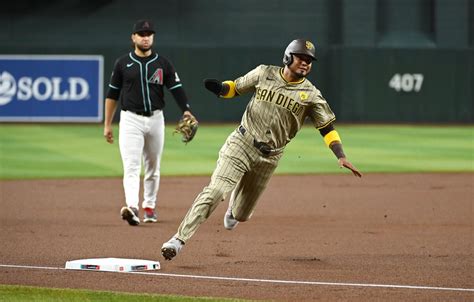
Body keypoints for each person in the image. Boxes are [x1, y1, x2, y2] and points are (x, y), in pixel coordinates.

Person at [161, 39, 361, 260]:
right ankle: (178, 240)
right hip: (241, 142)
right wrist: (220, 89)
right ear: (288, 57)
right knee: (216, 191)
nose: (305, 63)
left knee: (242, 215)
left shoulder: (311, 94)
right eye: (301, 57)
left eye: (309, 60)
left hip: (270, 157)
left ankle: (233, 210)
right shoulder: (263, 73)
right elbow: (235, 88)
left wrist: (340, 155)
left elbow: (326, 127)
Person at [103, 19, 196, 226]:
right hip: (130, 120)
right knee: (132, 166)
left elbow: (176, 89)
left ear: (152, 37)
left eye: (149, 34)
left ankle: (149, 207)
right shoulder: (122, 63)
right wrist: (107, 124)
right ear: (133, 38)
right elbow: (112, 95)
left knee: (153, 167)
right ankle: (132, 208)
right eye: (141, 34)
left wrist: (187, 110)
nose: (146, 37)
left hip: (155, 119)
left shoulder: (163, 63)